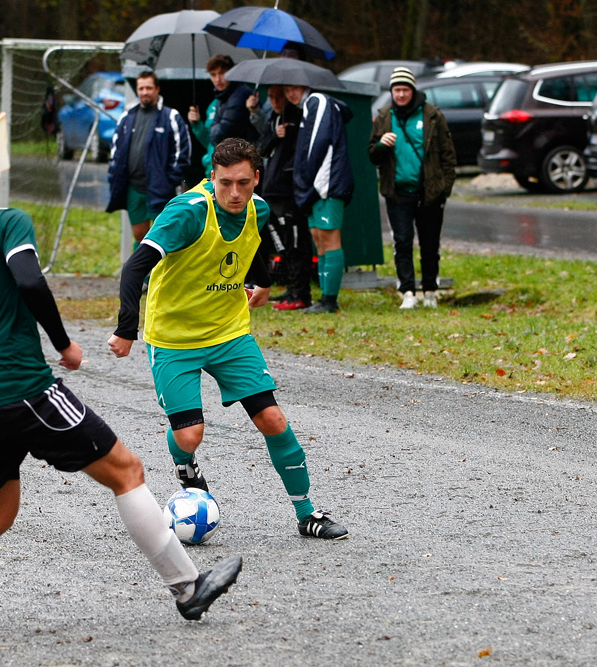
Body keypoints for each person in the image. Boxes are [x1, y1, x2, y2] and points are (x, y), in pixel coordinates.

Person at [0, 147, 243, 634]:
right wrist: (64, 344)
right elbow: (28, 280)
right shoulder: (6, 222)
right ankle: (189, 589)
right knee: (126, 470)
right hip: (22, 385)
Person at [107, 138, 348, 542]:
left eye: (242, 183)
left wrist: (264, 283)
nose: (234, 194)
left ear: (257, 177)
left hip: (229, 332)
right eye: (224, 184)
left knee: (272, 418)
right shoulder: (187, 213)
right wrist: (126, 328)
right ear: (211, 178)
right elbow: (134, 270)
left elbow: (249, 244)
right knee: (189, 435)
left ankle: (308, 513)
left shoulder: (258, 207)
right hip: (174, 337)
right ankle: (185, 464)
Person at [369, 67, 457, 310]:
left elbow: (449, 155)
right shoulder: (385, 116)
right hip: (398, 192)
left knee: (430, 244)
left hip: (429, 192)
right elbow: (372, 156)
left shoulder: (432, 116)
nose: (400, 95)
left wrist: (444, 189)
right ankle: (407, 291)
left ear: (412, 90)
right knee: (402, 241)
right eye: (396, 90)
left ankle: (430, 290)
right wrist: (381, 145)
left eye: (404, 89)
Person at [285, 84, 355, 314]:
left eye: (294, 87)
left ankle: (330, 300)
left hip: (327, 186)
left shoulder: (318, 101)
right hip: (315, 188)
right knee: (319, 238)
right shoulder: (307, 107)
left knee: (329, 238)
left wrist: (314, 186)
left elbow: (321, 146)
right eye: (286, 89)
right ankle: (325, 298)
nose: (291, 93)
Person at [106, 71, 191, 245]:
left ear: (157, 89)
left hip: (161, 189)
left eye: (149, 88)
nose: (145, 92)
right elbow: (115, 150)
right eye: (141, 88)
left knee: (162, 237)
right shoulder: (127, 117)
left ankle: (161, 272)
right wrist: (115, 177)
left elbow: (183, 152)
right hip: (134, 188)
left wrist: (169, 182)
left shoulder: (170, 117)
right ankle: (141, 272)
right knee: (139, 236)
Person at [247, 86, 311, 310]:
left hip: (288, 192)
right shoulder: (273, 119)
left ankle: (300, 293)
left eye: (278, 97)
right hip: (271, 191)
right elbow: (258, 149)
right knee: (280, 244)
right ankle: (291, 289)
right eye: (271, 97)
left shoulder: (297, 118)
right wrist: (275, 135)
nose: (274, 101)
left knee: (295, 243)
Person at [187, 55, 257, 178]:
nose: (218, 79)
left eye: (222, 73)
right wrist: (197, 125)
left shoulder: (240, 95)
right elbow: (210, 141)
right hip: (214, 168)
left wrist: (214, 131)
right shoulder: (217, 102)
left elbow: (220, 136)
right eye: (213, 75)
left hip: (233, 169)